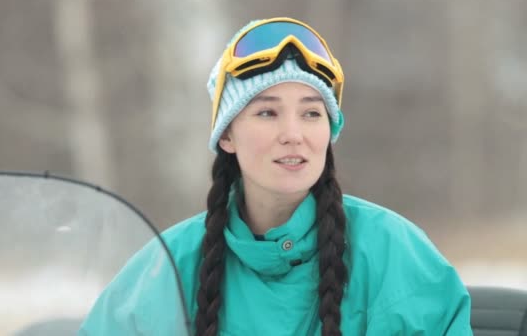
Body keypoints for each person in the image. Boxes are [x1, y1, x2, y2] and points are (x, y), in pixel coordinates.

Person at [79, 17, 472, 335]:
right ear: (227, 135)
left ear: (330, 133)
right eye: (267, 112)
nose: (293, 134)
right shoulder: (166, 267)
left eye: (311, 113)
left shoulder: (393, 254)